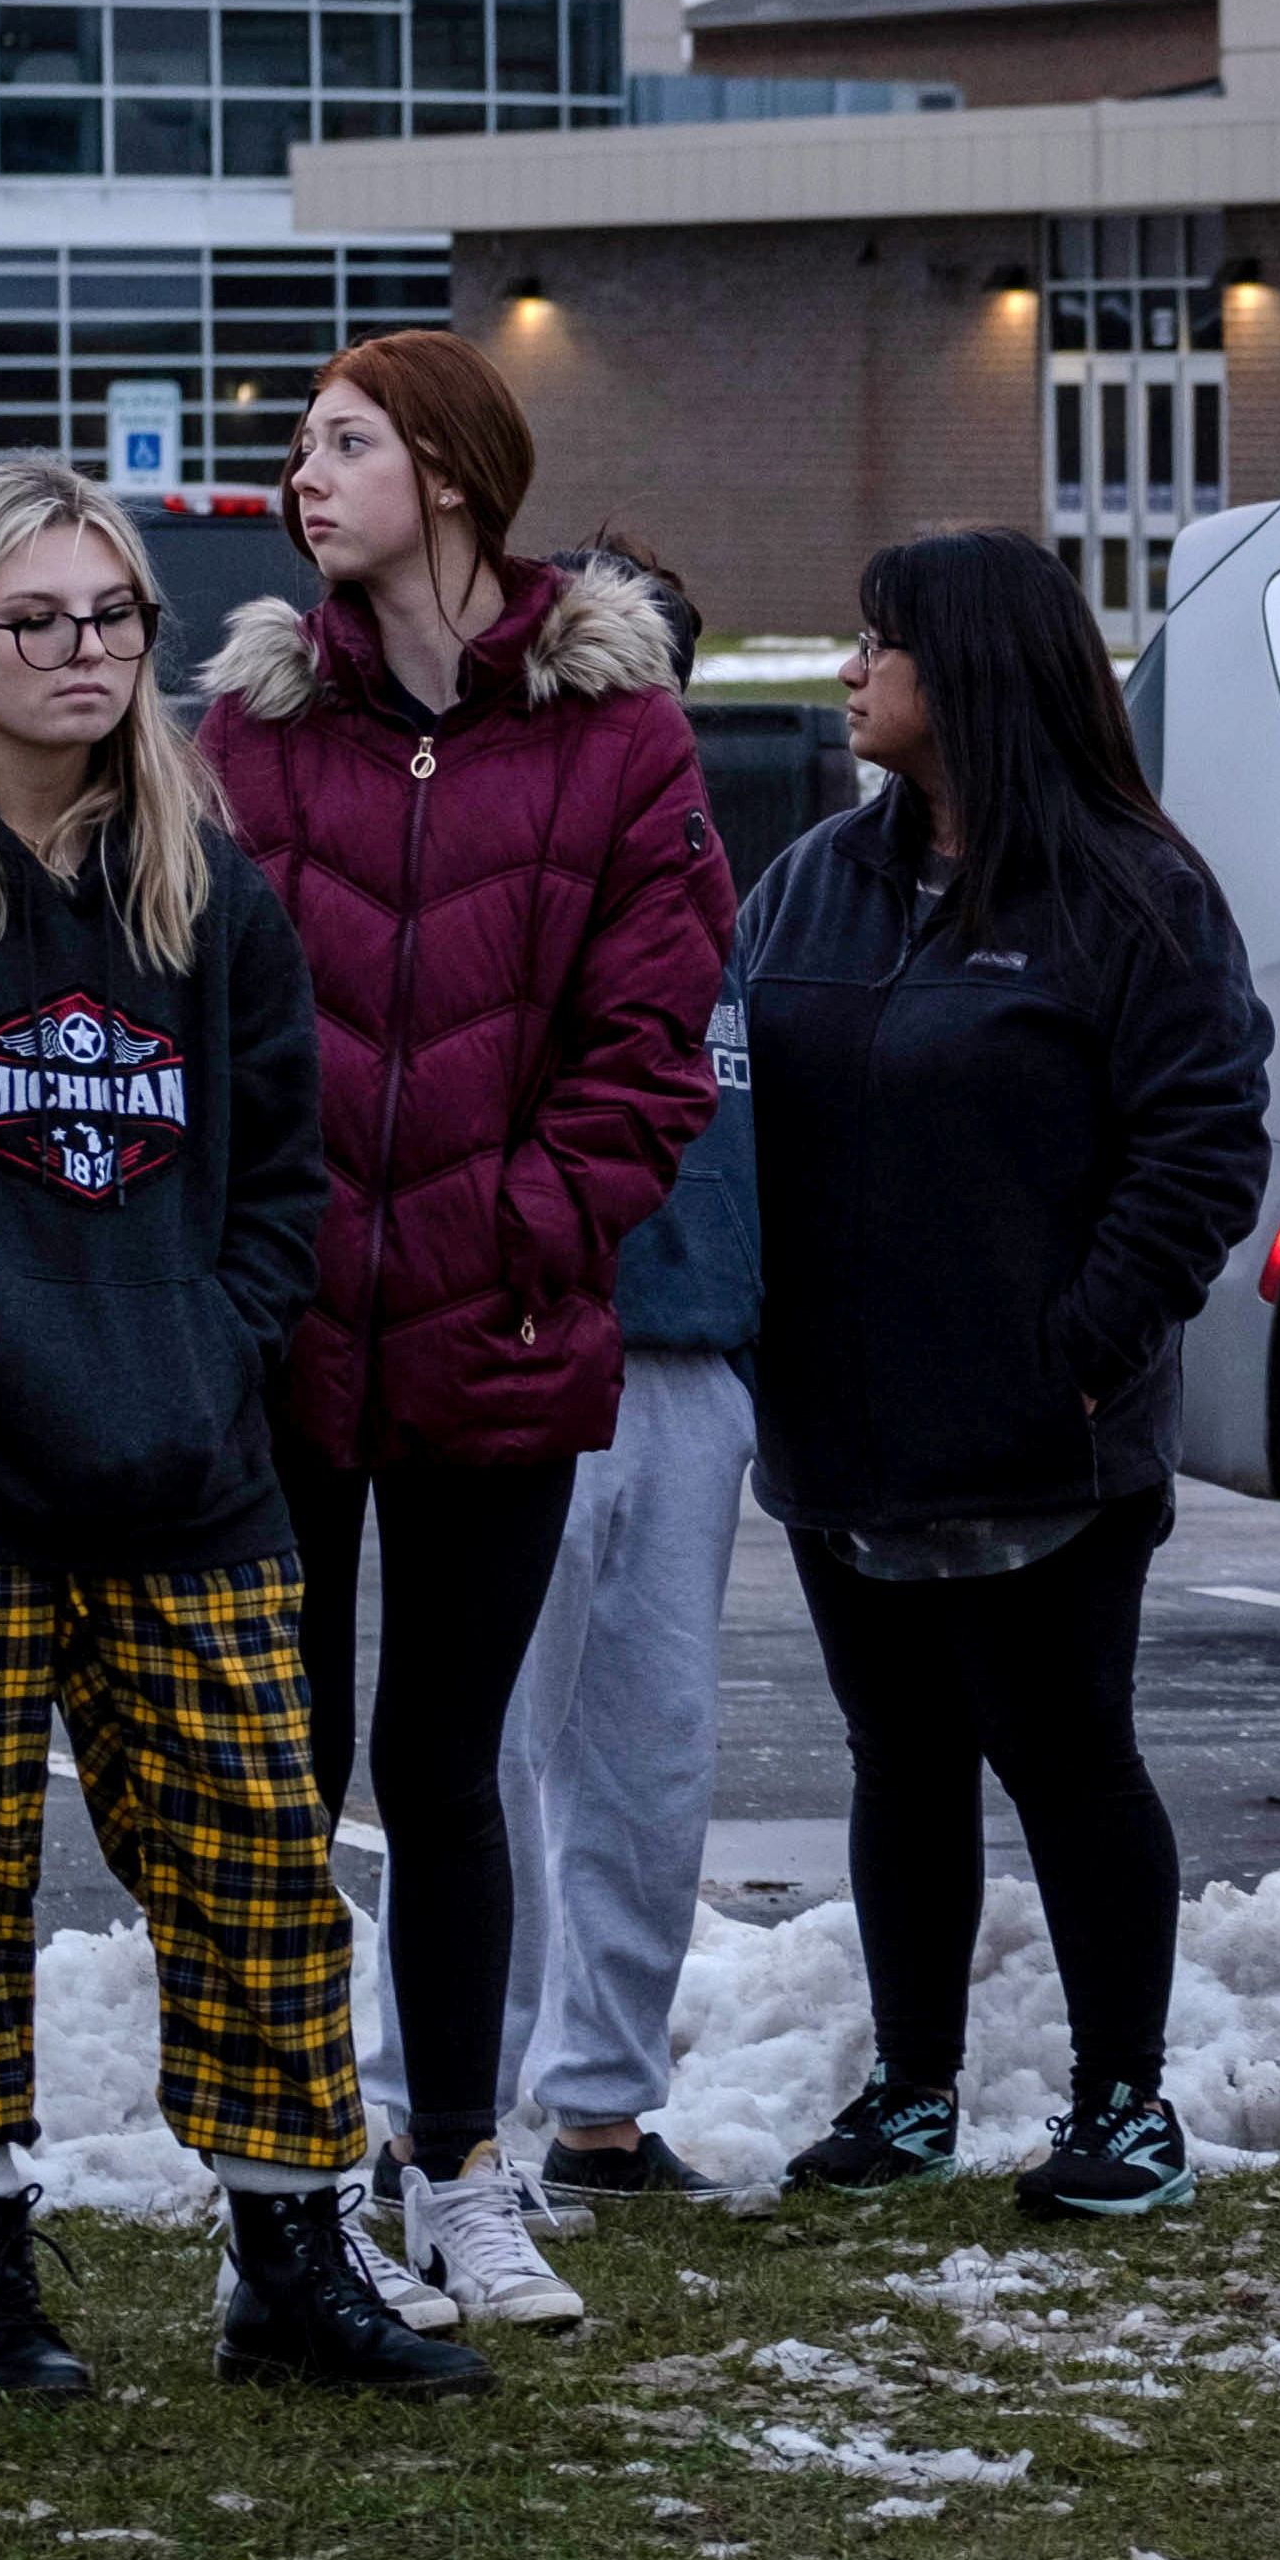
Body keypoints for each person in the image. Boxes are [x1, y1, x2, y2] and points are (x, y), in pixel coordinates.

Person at [0, 460, 485, 2403]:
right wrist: (13, 1366)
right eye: (37, 622)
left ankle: (290, 2260)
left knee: (259, 1855)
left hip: (190, 1474)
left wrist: (198, 1363)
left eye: (112, 620)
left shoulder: (201, 883)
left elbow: (278, 1196)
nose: (84, 656)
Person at [195, 332, 731, 2331]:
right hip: (283, 1332)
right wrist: (258, 1252)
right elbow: (198, 1010)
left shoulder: (619, 740)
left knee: (447, 1761)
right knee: (279, 1767)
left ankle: (464, 2175)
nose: (300, 480)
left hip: (499, 1330)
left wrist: (521, 1228)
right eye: (300, 445)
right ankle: (290, 2189)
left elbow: (653, 1045)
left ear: (446, 469)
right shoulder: (251, 733)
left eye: (340, 444)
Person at [741, 528, 1271, 2215]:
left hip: (1049, 1436)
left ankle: (1127, 2107)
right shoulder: (815, 874)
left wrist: (1077, 1343)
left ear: (962, 672)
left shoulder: (1133, 891)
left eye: (874, 644)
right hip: (841, 1430)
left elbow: (1200, 1144)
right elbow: (728, 1092)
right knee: (898, 1752)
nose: (847, 672)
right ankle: (911, 2088)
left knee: (1063, 1749)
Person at [495, 537, 757, 2203]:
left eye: (638, 664)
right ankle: (427, 2094)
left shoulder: (723, 873)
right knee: (484, 1764)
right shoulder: (496, 857)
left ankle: (600, 2099)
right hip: (518, 1349)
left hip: (691, 1363)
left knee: (651, 1763)